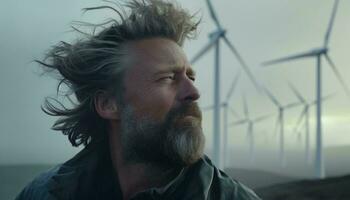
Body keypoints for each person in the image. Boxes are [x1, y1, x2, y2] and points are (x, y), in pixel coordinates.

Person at [16, 0, 261, 199]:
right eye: (168, 78)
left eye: (191, 77)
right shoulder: (43, 193)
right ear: (109, 104)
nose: (193, 92)